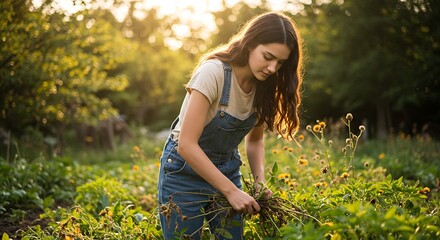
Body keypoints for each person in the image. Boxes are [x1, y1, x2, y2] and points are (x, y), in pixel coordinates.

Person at [157, 11, 303, 239]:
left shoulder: (265, 88)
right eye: (268, 56)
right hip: (182, 173)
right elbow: (185, 145)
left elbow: (255, 141)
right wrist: (232, 192)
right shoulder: (213, 73)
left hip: (227, 170)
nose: (273, 68)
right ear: (250, 44)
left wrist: (259, 182)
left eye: (280, 62)